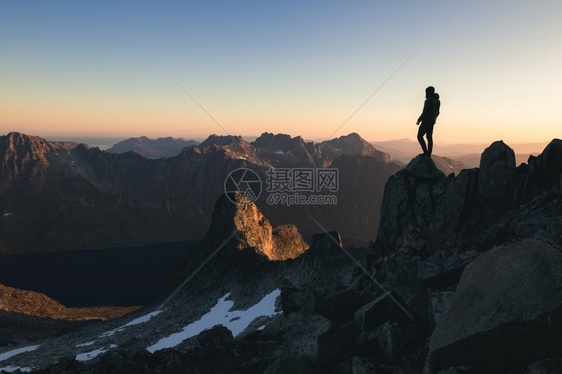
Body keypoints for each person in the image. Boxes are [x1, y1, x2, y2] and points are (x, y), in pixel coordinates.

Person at [416, 86, 440, 157]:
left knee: (419, 136)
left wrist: (419, 120)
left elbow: (425, 112)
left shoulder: (428, 100)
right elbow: (438, 112)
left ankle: (425, 152)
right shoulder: (438, 101)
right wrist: (434, 118)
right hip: (432, 122)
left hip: (426, 121)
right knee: (429, 137)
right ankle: (428, 153)